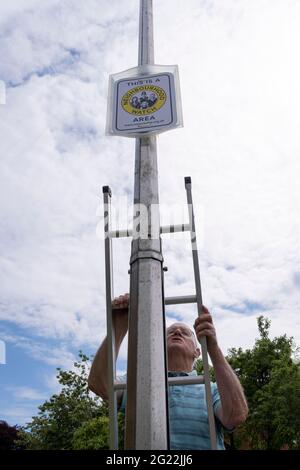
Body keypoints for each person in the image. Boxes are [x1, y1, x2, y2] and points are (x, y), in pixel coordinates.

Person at [88, 294, 248, 450]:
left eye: (184, 333)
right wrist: (119, 327)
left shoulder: (210, 388)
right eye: (170, 332)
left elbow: (236, 415)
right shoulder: (141, 381)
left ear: (197, 352)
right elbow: (101, 385)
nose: (177, 332)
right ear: (160, 347)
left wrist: (212, 347)